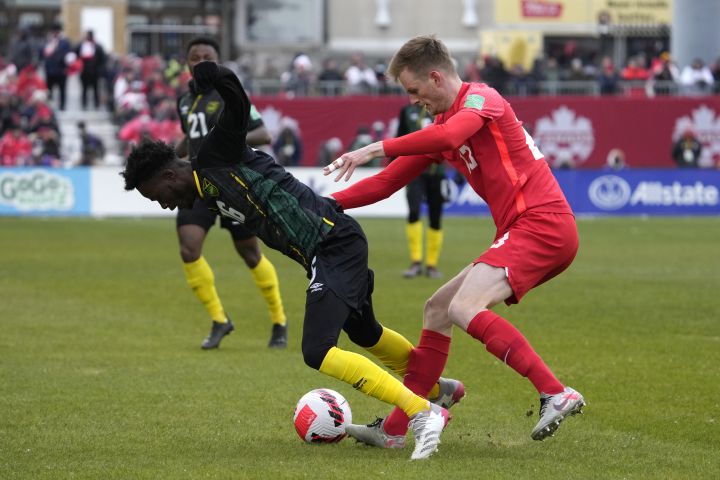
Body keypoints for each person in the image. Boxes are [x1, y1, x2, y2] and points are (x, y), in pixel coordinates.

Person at [121, 61, 461, 460]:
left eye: (155, 196)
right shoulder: (209, 192)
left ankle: (422, 413)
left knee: (317, 350)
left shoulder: (214, 155)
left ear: (167, 176)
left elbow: (235, 102)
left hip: (332, 242)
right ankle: (440, 390)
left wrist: (217, 76)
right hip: (327, 248)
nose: (162, 205)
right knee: (365, 332)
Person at [324, 34, 585, 447]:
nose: (414, 101)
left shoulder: (482, 99)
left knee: (464, 307)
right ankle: (393, 432)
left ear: (435, 77)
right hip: (525, 229)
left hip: (542, 223)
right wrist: (319, 204)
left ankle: (555, 392)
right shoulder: (443, 125)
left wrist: (376, 147)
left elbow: (446, 140)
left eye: (415, 91)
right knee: (438, 309)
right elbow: (387, 183)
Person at [174, 37, 287, 349]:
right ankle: (219, 320)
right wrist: (168, 158)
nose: (199, 61)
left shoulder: (229, 93)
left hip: (232, 184)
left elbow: (263, 133)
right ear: (187, 63)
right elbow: (189, 136)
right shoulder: (185, 101)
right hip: (197, 184)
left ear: (217, 62)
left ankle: (279, 321)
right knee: (189, 248)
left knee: (250, 253)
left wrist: (224, 146)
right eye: (194, 57)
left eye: (206, 56)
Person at [394, 103, 445, 279]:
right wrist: (395, 169)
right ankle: (415, 262)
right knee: (414, 211)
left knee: (435, 216)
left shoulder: (440, 109)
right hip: (413, 171)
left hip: (436, 172)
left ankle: (431, 265)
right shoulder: (406, 111)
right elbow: (398, 139)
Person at [40, 23, 72, 111]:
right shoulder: (47, 42)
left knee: (62, 90)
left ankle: (62, 106)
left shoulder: (65, 42)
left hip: (61, 70)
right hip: (50, 70)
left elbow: (69, 54)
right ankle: (49, 107)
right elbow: (42, 53)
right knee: (49, 90)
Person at [75, 30, 106, 110]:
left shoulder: (97, 46)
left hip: (94, 72)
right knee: (84, 89)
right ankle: (84, 105)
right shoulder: (81, 46)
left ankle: (96, 105)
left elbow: (102, 59)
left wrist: (100, 71)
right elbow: (75, 54)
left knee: (95, 89)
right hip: (84, 71)